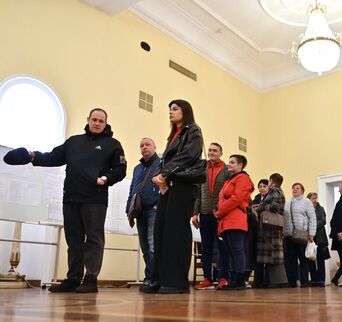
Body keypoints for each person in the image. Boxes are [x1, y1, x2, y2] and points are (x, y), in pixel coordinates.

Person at [3, 108, 127, 293]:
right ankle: (73, 279)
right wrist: (33, 156)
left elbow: (120, 169)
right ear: (88, 119)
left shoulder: (113, 144)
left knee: (93, 238)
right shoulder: (74, 142)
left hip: (95, 198)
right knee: (73, 239)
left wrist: (106, 179)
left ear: (106, 123)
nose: (97, 123)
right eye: (94, 119)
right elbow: (54, 157)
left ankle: (91, 279)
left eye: (101, 121)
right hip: (71, 197)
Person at [146, 99, 204, 294]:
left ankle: (176, 281)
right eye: (169, 109)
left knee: (176, 233)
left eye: (175, 109)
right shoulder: (173, 135)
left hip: (184, 185)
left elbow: (188, 155)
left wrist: (164, 174)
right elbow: (167, 159)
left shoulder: (193, 130)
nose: (170, 112)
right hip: (169, 186)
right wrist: (160, 177)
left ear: (185, 111)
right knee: (161, 231)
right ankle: (160, 279)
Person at [192, 143, 230, 290]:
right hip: (204, 214)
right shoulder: (202, 168)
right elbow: (197, 193)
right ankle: (207, 278)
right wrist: (195, 213)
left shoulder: (227, 170)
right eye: (210, 150)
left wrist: (222, 210)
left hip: (221, 215)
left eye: (215, 150)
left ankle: (223, 278)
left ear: (221, 153)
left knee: (222, 247)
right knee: (206, 247)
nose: (211, 152)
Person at [214, 154, 254, 290]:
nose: (229, 164)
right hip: (226, 219)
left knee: (237, 250)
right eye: (229, 162)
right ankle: (233, 280)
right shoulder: (229, 180)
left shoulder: (243, 178)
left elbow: (237, 198)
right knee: (231, 251)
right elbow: (226, 199)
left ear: (240, 165)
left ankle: (240, 280)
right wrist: (218, 210)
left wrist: (220, 211)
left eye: (232, 162)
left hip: (235, 219)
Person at [126, 138, 161, 290]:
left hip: (154, 209)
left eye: (147, 145)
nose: (144, 147)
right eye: (141, 145)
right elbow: (132, 189)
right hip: (139, 211)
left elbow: (166, 185)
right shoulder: (137, 168)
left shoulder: (162, 164)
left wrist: (160, 204)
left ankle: (153, 279)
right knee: (145, 247)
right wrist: (129, 210)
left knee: (153, 246)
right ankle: (150, 277)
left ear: (155, 147)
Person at [255, 173, 287, 288]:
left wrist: (260, 207)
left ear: (271, 182)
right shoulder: (279, 191)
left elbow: (274, 207)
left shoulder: (274, 191)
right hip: (273, 227)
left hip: (270, 227)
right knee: (273, 256)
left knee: (272, 256)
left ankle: (275, 282)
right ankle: (273, 281)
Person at [283, 183, 316, 288]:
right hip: (289, 235)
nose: (294, 190)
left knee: (303, 259)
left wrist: (311, 233)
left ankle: (304, 282)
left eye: (297, 188)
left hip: (302, 234)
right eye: (293, 188)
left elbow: (312, 218)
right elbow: (284, 218)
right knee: (291, 260)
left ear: (302, 190)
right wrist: (283, 232)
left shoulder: (307, 202)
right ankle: (292, 281)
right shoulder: (287, 203)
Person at [307, 192, 330, 287]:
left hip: (320, 237)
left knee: (320, 259)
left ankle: (321, 280)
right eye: (313, 198)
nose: (315, 200)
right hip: (310, 237)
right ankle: (314, 280)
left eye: (315, 198)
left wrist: (312, 225)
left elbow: (323, 220)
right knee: (311, 259)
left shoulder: (321, 209)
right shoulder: (306, 209)